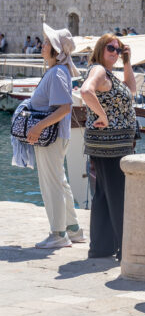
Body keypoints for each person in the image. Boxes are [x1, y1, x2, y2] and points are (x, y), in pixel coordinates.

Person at [80, 34, 137, 260]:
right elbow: (86, 91)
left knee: (104, 194)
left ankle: (102, 247)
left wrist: (127, 62)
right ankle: (125, 249)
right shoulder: (99, 70)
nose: (115, 52)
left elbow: (131, 90)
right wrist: (102, 115)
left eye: (118, 49)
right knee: (118, 195)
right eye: (111, 48)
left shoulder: (109, 73)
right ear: (100, 49)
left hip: (108, 144)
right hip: (110, 145)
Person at [28, 24, 83, 248]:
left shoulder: (57, 72)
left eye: (47, 43)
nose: (42, 46)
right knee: (59, 181)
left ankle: (58, 234)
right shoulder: (57, 71)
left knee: (51, 184)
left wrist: (38, 127)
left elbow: (64, 108)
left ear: (57, 50)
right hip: (56, 136)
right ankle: (73, 229)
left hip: (50, 136)